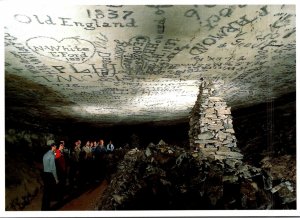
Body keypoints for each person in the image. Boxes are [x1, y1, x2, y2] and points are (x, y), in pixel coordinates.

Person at [41, 140, 59, 211]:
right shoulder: (51, 155)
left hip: (45, 174)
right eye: (55, 145)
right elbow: (53, 169)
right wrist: (56, 179)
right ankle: (47, 209)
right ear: (52, 146)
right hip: (50, 175)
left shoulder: (45, 154)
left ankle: (43, 208)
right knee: (49, 193)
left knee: (45, 192)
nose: (56, 147)